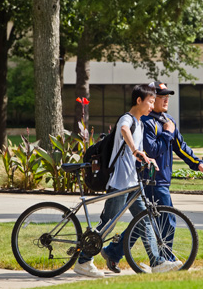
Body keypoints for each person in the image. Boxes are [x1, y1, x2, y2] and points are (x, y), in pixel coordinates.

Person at [74, 84, 181, 278]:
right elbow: (124, 130)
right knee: (108, 224)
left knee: (144, 220)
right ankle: (83, 261)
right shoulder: (128, 119)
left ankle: (157, 263)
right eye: (149, 101)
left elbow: (138, 154)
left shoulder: (139, 123)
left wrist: (148, 159)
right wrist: (134, 149)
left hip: (132, 183)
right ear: (139, 101)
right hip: (120, 182)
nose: (151, 105)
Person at [142, 81, 203, 261]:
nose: (166, 100)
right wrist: (166, 133)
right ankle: (167, 259)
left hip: (162, 180)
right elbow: (151, 151)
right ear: (152, 98)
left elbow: (180, 146)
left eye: (167, 97)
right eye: (162, 97)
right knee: (167, 221)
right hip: (151, 179)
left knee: (143, 221)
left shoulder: (168, 121)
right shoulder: (145, 122)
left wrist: (197, 163)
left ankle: (113, 251)